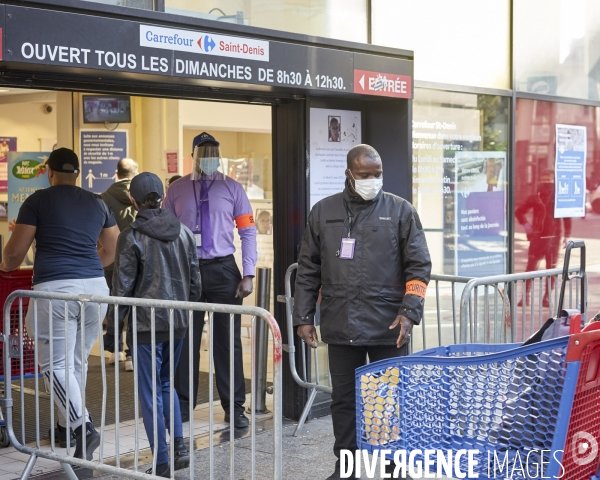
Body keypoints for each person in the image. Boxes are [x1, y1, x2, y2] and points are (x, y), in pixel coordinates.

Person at [293, 144, 432, 480]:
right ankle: (347, 468)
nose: (373, 180)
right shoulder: (323, 212)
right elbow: (308, 268)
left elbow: (419, 267)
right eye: (364, 175)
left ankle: (393, 467)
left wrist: (410, 313)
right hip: (341, 322)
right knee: (344, 403)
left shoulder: (401, 211)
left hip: (390, 326)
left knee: (390, 402)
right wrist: (303, 317)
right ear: (348, 174)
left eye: (377, 174)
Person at [0, 148, 119, 458]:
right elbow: (112, 248)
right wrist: (86, 265)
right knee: (75, 364)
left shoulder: (37, 201)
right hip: (95, 289)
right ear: (77, 173)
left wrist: (6, 264)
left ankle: (83, 427)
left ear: (49, 173)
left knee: (53, 366)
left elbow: (13, 256)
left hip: (55, 291)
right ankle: (69, 432)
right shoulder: (97, 202)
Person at [164, 132, 257, 428]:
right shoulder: (176, 190)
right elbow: (165, 233)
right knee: (185, 339)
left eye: (213, 152)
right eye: (203, 153)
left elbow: (247, 232)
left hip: (222, 270)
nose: (208, 158)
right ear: (193, 155)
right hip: (186, 270)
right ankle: (182, 406)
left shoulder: (233, 188)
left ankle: (234, 408)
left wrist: (248, 272)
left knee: (227, 342)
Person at [111, 172, 200, 477]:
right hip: (177, 322)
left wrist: (113, 332)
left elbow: (122, 289)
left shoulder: (132, 236)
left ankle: (161, 461)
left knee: (150, 394)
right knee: (167, 385)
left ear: (133, 200)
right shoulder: (184, 232)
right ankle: (179, 448)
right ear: (163, 197)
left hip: (146, 325)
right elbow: (195, 283)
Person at [100, 157, 139, 369]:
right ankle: (132, 354)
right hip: (137, 261)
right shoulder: (142, 196)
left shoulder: (104, 198)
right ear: (136, 173)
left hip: (111, 260)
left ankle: (115, 352)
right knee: (136, 306)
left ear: (117, 174)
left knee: (114, 305)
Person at [516, 170, 571, 307]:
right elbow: (519, 211)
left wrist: (567, 235)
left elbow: (567, 216)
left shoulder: (557, 197)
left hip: (553, 237)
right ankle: (526, 296)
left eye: (549, 180)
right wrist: (527, 226)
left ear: (554, 181)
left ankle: (546, 297)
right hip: (539, 237)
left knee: (550, 268)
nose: (546, 183)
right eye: (544, 180)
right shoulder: (537, 197)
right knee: (531, 267)